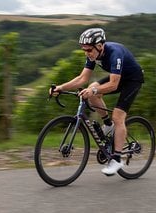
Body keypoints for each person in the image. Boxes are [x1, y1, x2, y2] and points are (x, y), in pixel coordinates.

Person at [51, 28, 144, 176]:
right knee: (91, 88)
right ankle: (108, 125)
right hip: (118, 77)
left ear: (100, 46)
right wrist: (60, 87)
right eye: (84, 50)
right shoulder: (93, 54)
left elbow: (113, 84)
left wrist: (94, 91)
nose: (86, 53)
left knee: (118, 116)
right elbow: (82, 79)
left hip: (133, 80)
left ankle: (116, 159)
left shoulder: (115, 54)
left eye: (88, 50)